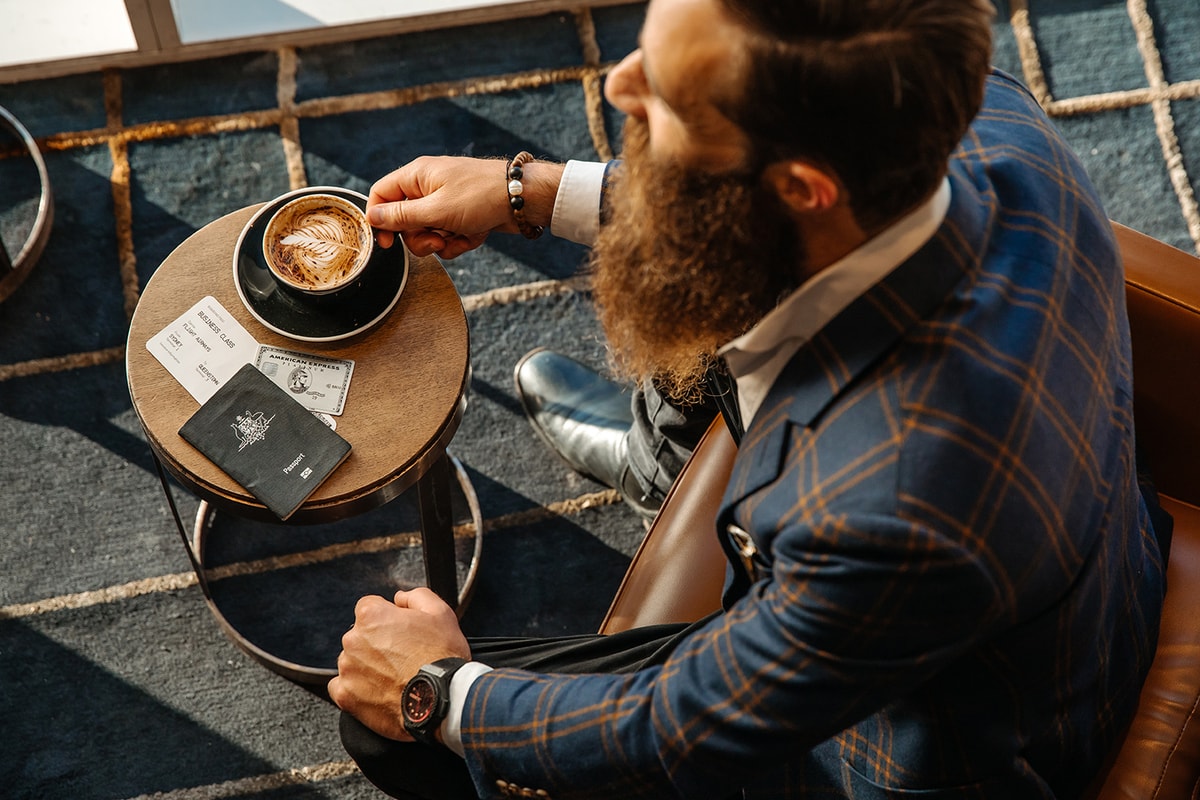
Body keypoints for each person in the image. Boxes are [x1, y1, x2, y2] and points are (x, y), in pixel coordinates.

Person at [326, 0, 1170, 797]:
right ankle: (660, 466)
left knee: (380, 733)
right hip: (1034, 573)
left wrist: (437, 693)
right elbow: (732, 187)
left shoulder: (892, 513)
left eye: (666, 95)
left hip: (905, 745)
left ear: (803, 187)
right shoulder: (984, 115)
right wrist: (533, 192)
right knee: (704, 278)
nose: (618, 83)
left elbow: (683, 724)